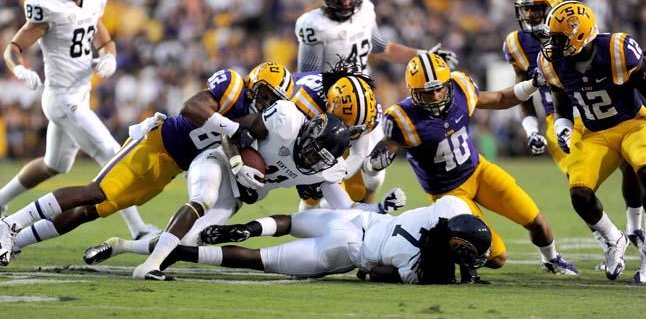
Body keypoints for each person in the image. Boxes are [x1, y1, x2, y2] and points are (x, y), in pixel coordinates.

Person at [0, 62, 293, 268]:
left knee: (92, 211)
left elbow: (226, 139)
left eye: (274, 99)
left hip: (171, 167)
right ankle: (10, 224)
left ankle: (18, 240)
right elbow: (191, 109)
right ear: (254, 83)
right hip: (155, 144)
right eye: (265, 93)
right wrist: (232, 128)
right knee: (96, 191)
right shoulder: (233, 87)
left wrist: (237, 161)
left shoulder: (258, 123)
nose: (266, 102)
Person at [85, 103, 407, 280]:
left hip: (238, 195)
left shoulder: (322, 170)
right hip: (219, 160)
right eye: (312, 150)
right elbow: (230, 128)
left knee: (189, 239)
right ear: (310, 131)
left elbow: (347, 210)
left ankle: (123, 246)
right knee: (202, 199)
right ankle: (151, 267)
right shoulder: (285, 119)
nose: (309, 159)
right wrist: (238, 161)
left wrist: (380, 210)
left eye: (318, 159)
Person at [363, 52, 579, 277]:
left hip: (479, 171)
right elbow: (380, 154)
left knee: (536, 221)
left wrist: (532, 84)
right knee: (497, 257)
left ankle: (551, 259)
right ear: (415, 93)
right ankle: (438, 250)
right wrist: (373, 164)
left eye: (440, 88)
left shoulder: (460, 87)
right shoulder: (402, 118)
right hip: (450, 195)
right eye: (428, 92)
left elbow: (500, 99)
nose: (436, 96)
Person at [0, 0, 156, 239]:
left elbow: (103, 37)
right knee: (111, 154)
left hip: (80, 95)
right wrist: (20, 70)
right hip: (61, 98)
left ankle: (0, 200)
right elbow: (14, 48)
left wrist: (108, 55)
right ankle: (138, 230)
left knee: (54, 165)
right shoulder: (48, 7)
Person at [504, 0, 645, 259]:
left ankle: (635, 227)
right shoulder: (517, 44)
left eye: (537, 8)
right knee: (579, 183)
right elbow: (523, 93)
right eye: (526, 8)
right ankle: (608, 238)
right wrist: (531, 128)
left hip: (601, 111)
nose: (530, 14)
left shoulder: (576, 29)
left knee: (632, 160)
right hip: (559, 118)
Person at [538, 1, 646, 284]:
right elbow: (560, 104)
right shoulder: (552, 62)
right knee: (579, 194)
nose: (552, 44)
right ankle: (613, 240)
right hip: (595, 133)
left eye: (559, 38)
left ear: (579, 36)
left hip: (633, 124)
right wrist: (562, 126)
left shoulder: (618, 50)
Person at [161, 195, 491, 285]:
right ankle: (183, 253)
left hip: (356, 218)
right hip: (346, 249)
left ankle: (250, 227)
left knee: (289, 222)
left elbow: (453, 220)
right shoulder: (419, 265)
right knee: (261, 261)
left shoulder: (452, 208)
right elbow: (377, 274)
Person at [295, 0, 458, 74]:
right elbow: (308, 79)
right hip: (329, 103)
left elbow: (383, 49)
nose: (345, 3)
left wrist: (424, 56)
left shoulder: (364, 11)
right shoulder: (315, 25)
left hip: (363, 99)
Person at [292, 65, 384, 207]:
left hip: (326, 120)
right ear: (329, 107)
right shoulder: (305, 107)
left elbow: (358, 153)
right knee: (310, 194)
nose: (349, 133)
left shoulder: (365, 111)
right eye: (346, 127)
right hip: (291, 124)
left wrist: (332, 176)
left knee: (361, 188)